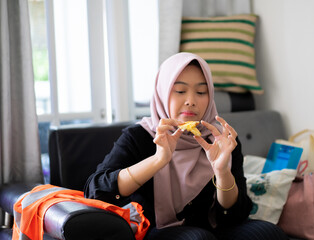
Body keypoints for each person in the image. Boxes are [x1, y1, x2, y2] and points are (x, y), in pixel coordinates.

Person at [84, 52, 288, 240]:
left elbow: (235, 214)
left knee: (269, 233)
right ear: (162, 93)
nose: (191, 101)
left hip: (215, 227)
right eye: (180, 90)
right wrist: (158, 159)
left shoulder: (221, 139)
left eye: (201, 92)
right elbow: (96, 190)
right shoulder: (141, 136)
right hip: (157, 230)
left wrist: (222, 171)